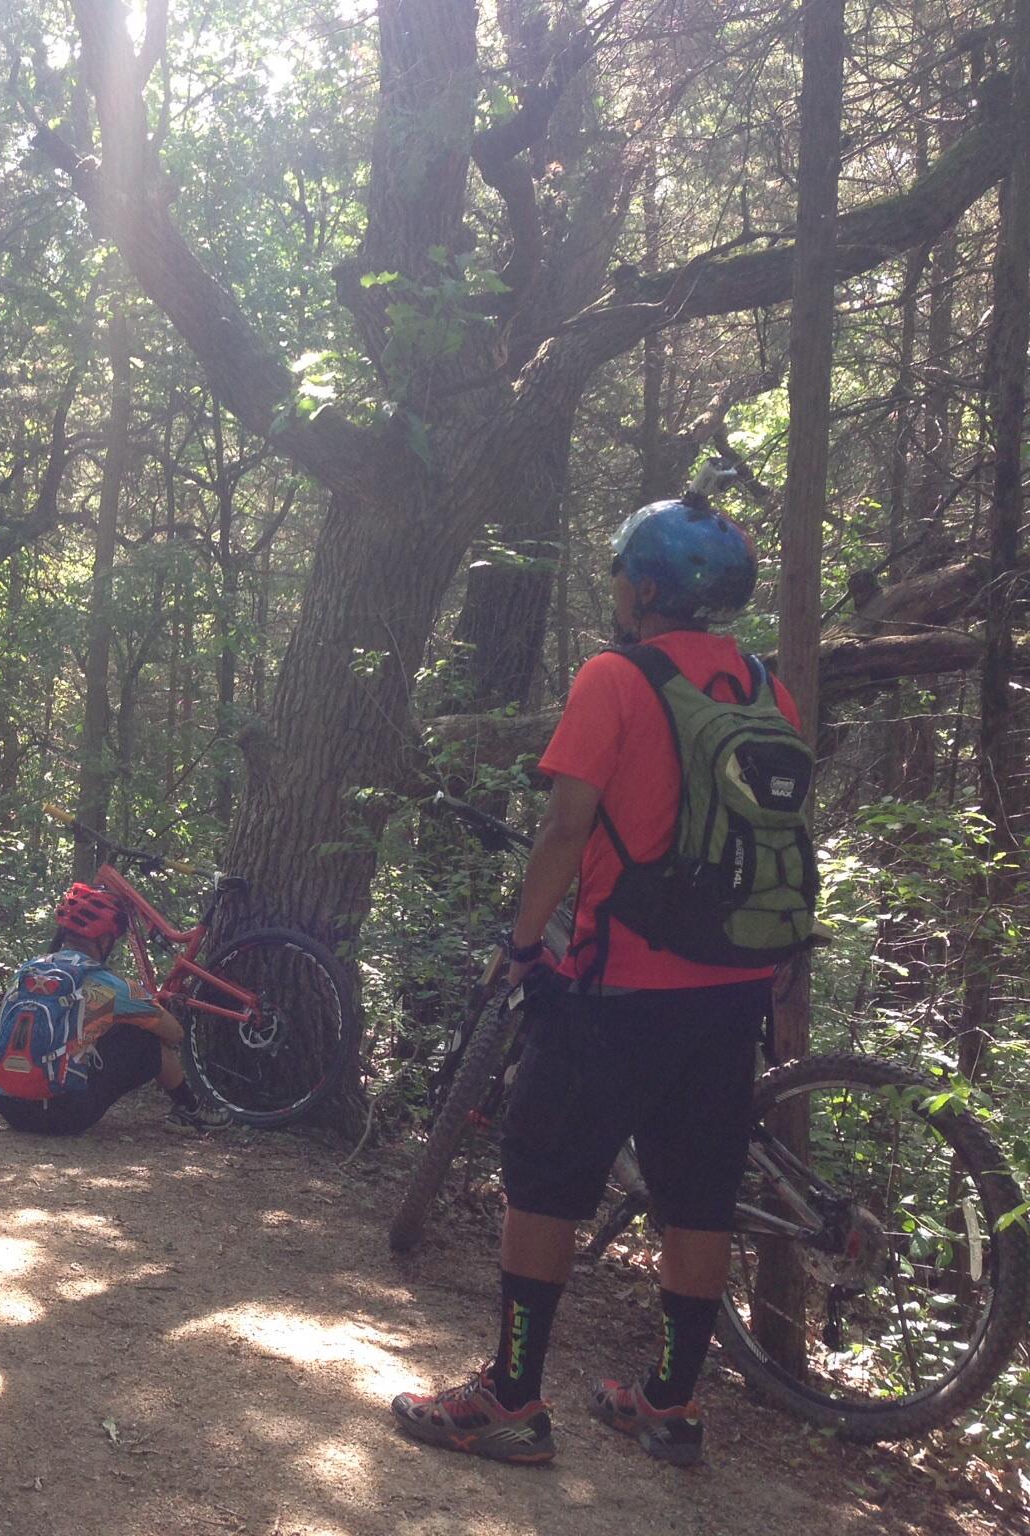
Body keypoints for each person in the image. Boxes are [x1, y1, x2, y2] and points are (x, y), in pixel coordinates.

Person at [391, 490, 810, 1468]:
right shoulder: (764, 687)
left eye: (622, 569)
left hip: (615, 985)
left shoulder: (614, 678)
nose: (613, 583)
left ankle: (508, 1396)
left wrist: (523, 940)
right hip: (731, 986)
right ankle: (665, 1404)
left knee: (541, 1183)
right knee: (697, 1195)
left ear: (647, 586)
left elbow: (565, 828)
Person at [0, 883, 229, 1135]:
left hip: (8, 1106)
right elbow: (175, 1033)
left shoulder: (27, 970)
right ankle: (190, 1111)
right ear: (104, 939)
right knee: (146, 1039)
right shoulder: (113, 985)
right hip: (64, 1115)